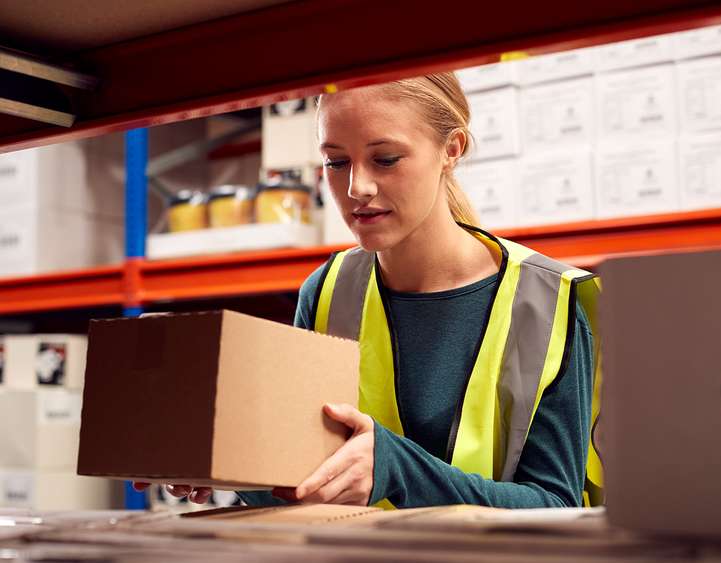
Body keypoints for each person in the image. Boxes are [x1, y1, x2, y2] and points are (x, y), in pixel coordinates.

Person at [135, 72, 602, 509]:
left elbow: (556, 508)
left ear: (451, 148)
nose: (356, 186)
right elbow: (310, 483)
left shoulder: (548, 302)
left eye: (385, 159)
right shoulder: (327, 291)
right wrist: (231, 468)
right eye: (336, 162)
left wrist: (397, 470)